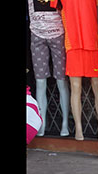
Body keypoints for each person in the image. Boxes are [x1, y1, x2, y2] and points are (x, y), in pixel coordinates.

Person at [51, 0, 98, 141]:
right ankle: (79, 129)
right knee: (76, 87)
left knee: (97, 88)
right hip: (74, 44)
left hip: (93, 42)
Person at [28, 0, 70, 137]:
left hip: (58, 33)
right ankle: (42, 122)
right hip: (36, 34)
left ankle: (65, 123)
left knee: (61, 80)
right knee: (40, 81)